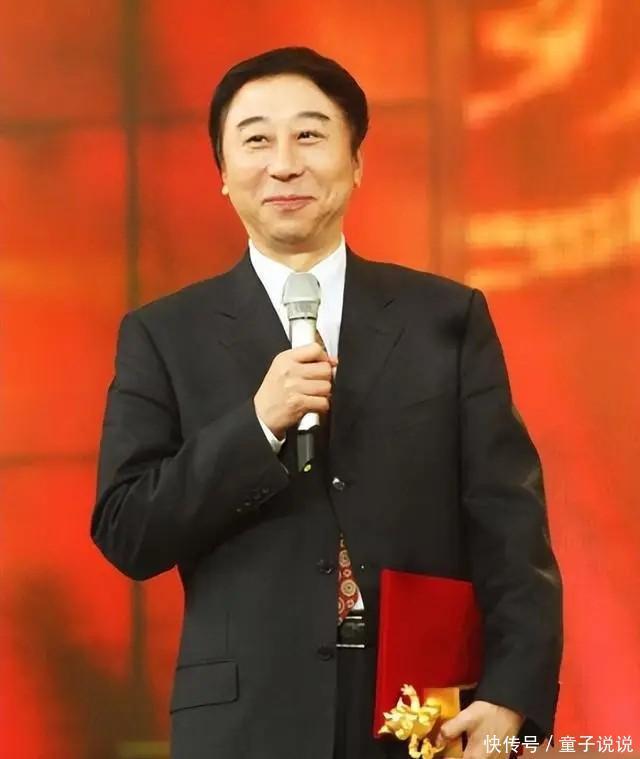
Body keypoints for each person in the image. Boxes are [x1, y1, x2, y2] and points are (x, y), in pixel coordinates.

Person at [90, 46, 563, 759]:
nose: (284, 164)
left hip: (422, 711)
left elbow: (510, 523)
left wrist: (510, 695)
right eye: (256, 140)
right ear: (223, 172)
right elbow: (128, 529)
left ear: (356, 161)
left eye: (309, 135)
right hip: (246, 721)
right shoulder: (163, 334)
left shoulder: (445, 317)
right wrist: (257, 425)